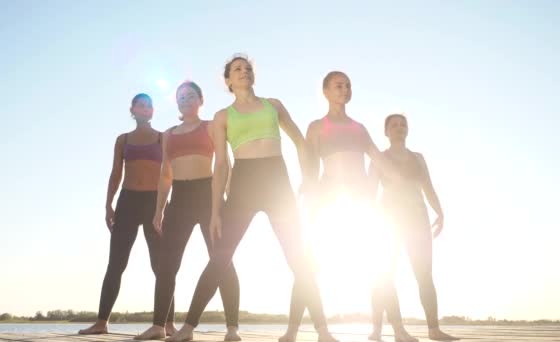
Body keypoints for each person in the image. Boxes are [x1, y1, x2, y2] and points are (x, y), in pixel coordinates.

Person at [167, 55, 337, 342]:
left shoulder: (274, 105)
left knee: (298, 257)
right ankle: (187, 328)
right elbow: (221, 164)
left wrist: (309, 180)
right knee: (220, 257)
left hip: (276, 182)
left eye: (247, 68)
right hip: (243, 184)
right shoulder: (222, 117)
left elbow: (300, 143)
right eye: (237, 69)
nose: (243, 72)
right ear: (228, 81)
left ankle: (322, 331)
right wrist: (215, 211)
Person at [279, 71, 417, 342]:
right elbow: (309, 161)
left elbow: (377, 157)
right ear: (326, 92)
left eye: (348, 85)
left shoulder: (359, 128)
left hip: (360, 194)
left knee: (380, 261)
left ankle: (398, 330)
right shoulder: (317, 126)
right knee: (309, 263)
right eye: (338, 85)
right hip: (328, 190)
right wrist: (309, 185)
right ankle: (293, 330)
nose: (344, 89)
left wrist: (400, 178)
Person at [134, 81, 241, 340]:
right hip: (179, 199)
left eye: (191, 95)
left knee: (222, 260)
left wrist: (224, 198)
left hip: (207, 195)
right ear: (177, 102)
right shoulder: (169, 134)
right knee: (166, 264)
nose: (186, 100)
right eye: (181, 97)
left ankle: (232, 328)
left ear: (200, 100)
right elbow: (165, 174)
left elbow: (223, 164)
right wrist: (159, 209)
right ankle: (159, 326)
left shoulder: (211, 126)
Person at [78, 94, 173, 335]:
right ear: (133, 110)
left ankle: (167, 323)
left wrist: (163, 208)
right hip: (128, 201)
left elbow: (168, 174)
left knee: (160, 265)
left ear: (152, 112)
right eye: (139, 105)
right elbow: (115, 173)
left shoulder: (163, 138)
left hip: (155, 202)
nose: (144, 108)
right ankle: (101, 322)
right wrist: (108, 204)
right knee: (116, 264)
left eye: (148, 105)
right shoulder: (123, 140)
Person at [368, 114, 459, 341]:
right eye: (394, 125)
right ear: (386, 132)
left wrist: (440, 212)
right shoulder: (378, 158)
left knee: (424, 274)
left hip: (418, 218)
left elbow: (428, 186)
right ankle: (387, 329)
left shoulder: (418, 158)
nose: (400, 128)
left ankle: (434, 330)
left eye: (403, 125)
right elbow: (369, 193)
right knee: (384, 274)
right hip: (389, 218)